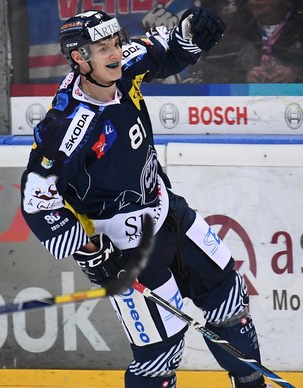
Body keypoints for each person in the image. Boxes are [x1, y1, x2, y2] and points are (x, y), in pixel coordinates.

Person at [20, 9, 272, 388]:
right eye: (103, 47)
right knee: (159, 354)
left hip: (167, 212)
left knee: (229, 301)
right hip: (127, 246)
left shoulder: (125, 67)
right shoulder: (67, 124)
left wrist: (189, 31)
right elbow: (38, 199)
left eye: (116, 42)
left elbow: (165, 48)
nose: (116, 53)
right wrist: (93, 254)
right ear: (78, 58)